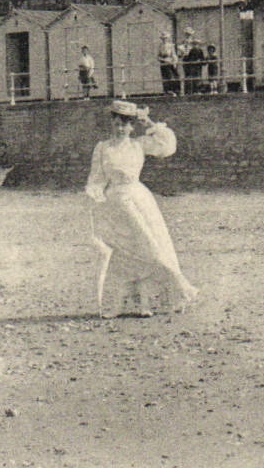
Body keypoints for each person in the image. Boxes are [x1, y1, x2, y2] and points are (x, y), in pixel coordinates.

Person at [84, 100, 199, 317]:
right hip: (114, 204)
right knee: (125, 253)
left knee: (150, 246)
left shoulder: (139, 145)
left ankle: (162, 297)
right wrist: (95, 198)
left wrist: (148, 121)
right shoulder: (102, 148)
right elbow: (96, 178)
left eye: (125, 125)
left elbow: (167, 145)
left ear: (131, 127)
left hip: (138, 200)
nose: (120, 129)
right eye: (117, 124)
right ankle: (126, 305)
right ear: (112, 123)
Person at [181, 30, 206, 95]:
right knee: (191, 77)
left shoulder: (200, 50)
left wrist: (201, 61)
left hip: (198, 66)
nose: (195, 45)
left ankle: (198, 90)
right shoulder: (189, 48)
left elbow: (202, 58)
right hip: (192, 66)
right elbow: (188, 57)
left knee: (198, 77)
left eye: (197, 44)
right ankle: (191, 91)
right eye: (194, 44)